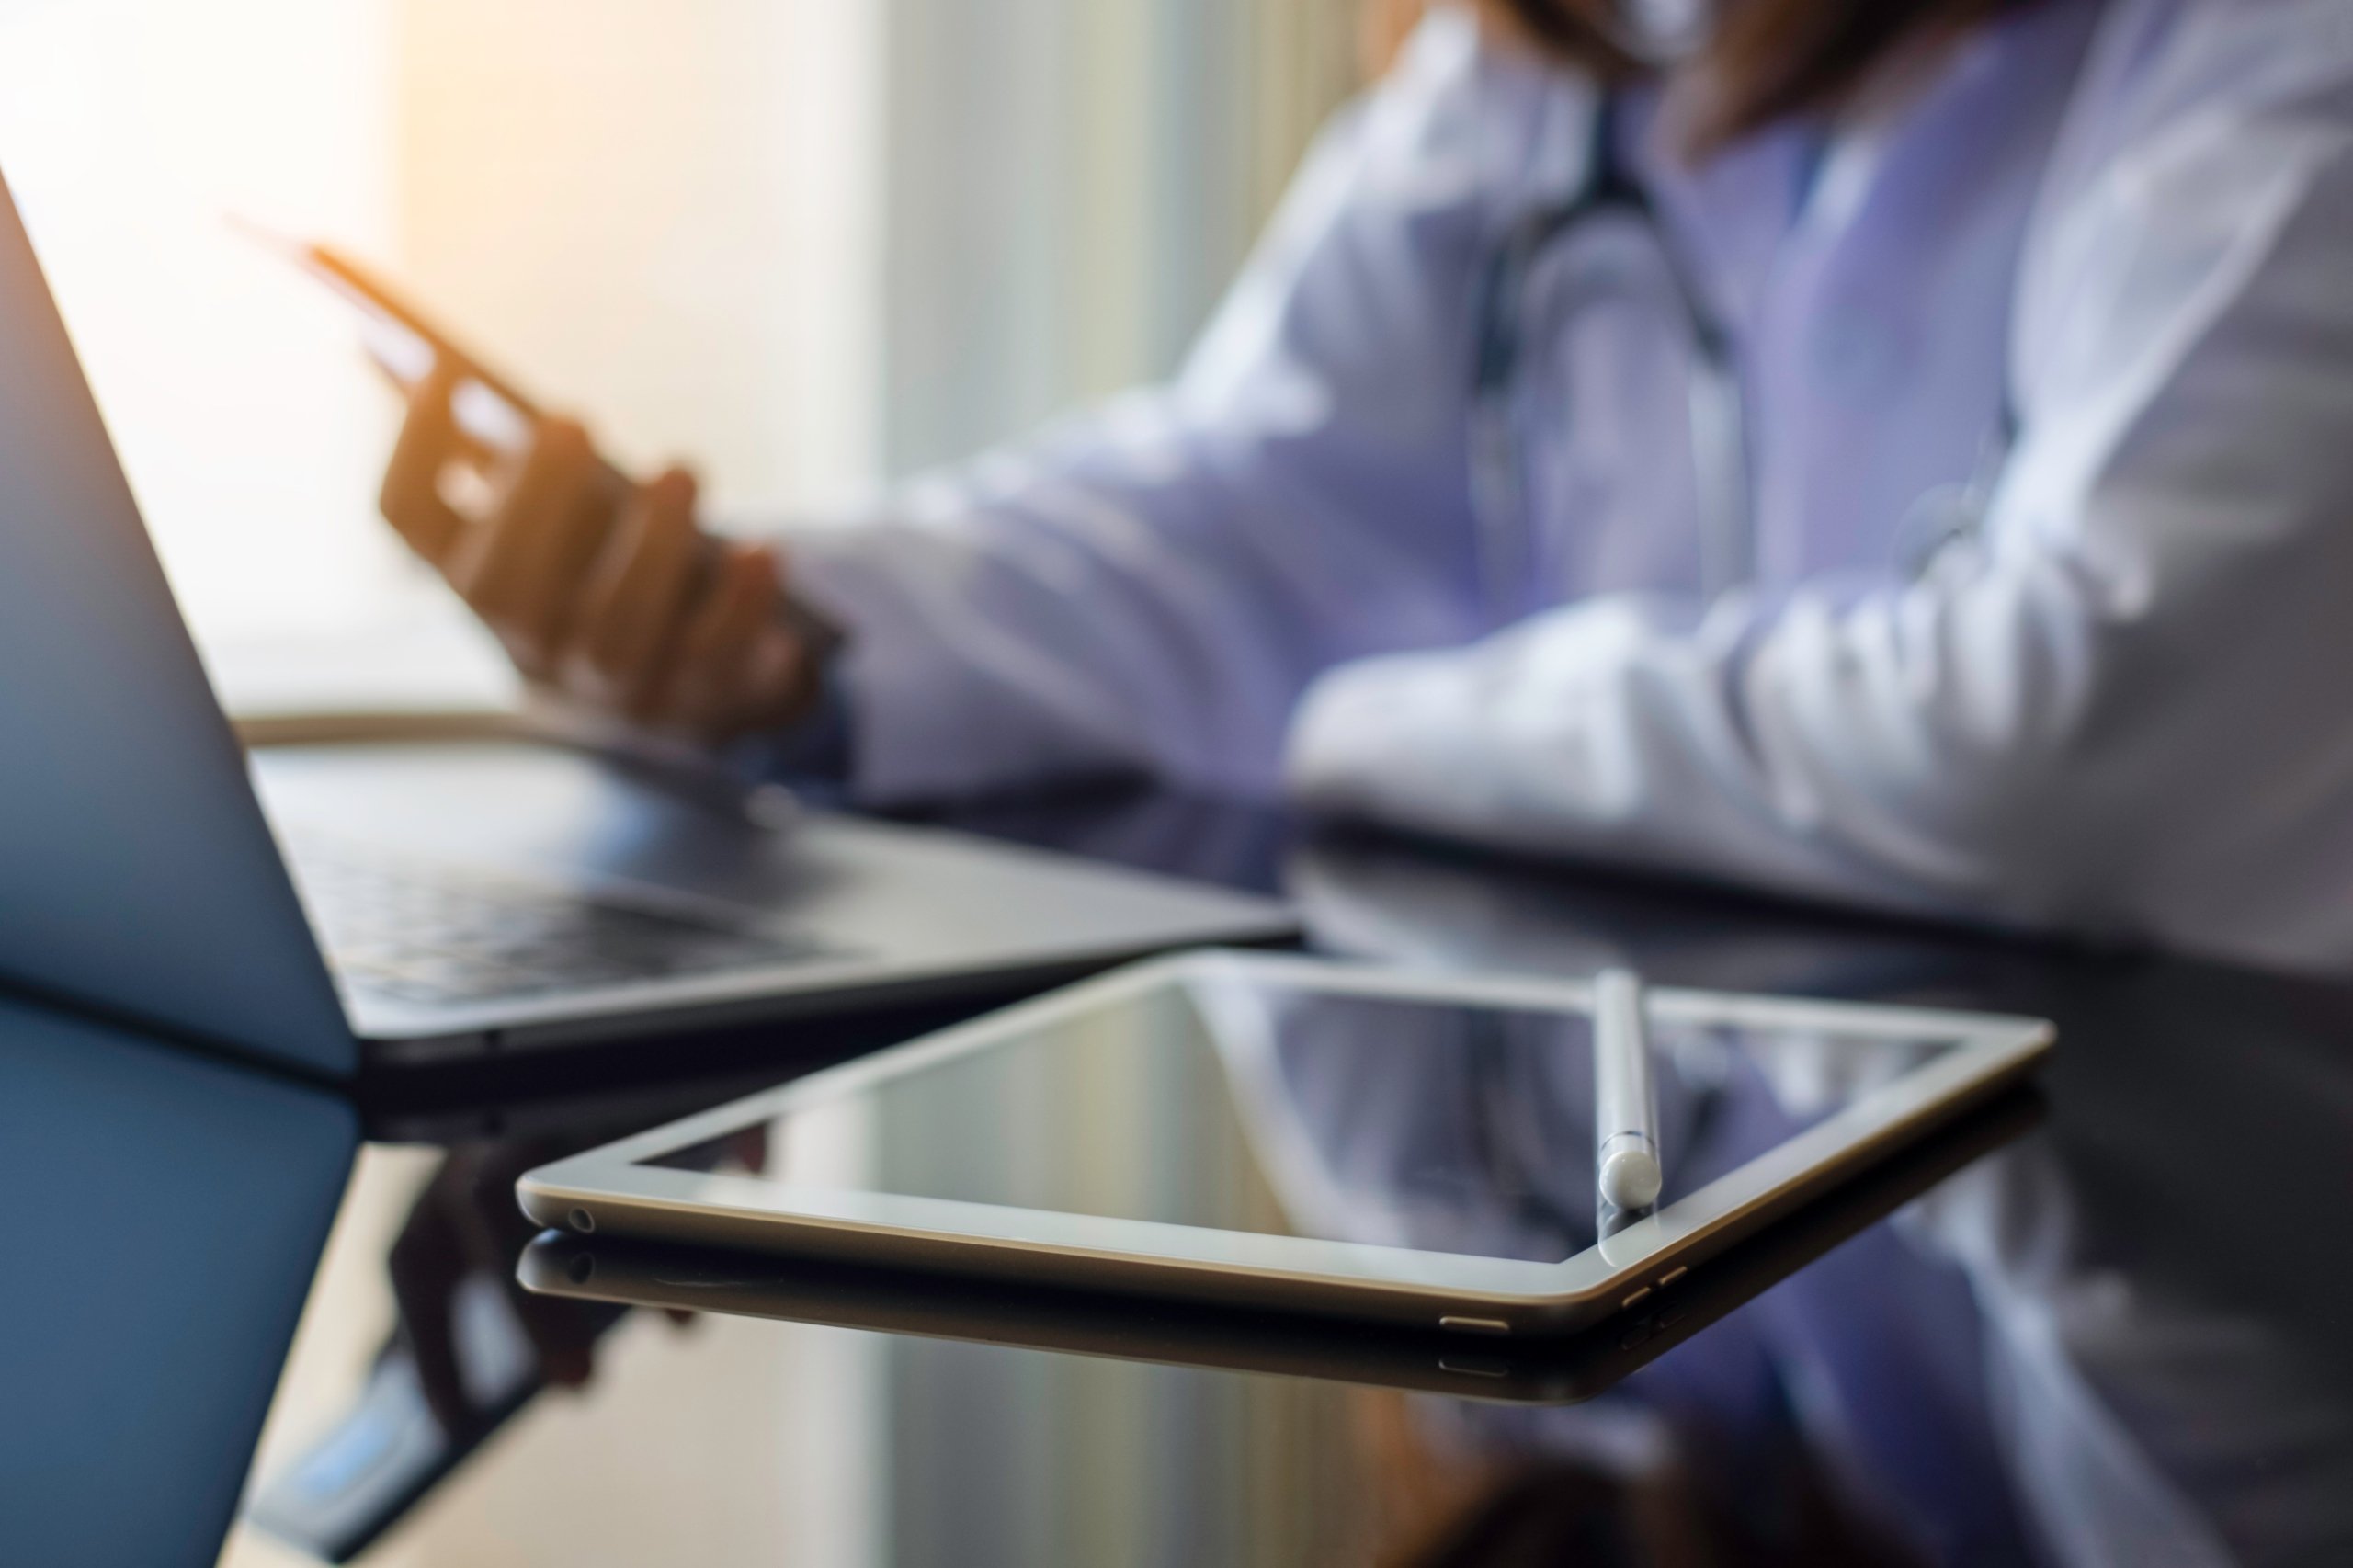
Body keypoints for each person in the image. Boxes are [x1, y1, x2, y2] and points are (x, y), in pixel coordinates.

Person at [378, 0, 2353, 974]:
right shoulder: (1557, 56)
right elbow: (1256, 497)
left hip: (2215, 1159)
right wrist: (777, 636)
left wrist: (1374, 720)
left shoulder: (2251, 53)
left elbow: (2072, 735)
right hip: (1743, 1136)